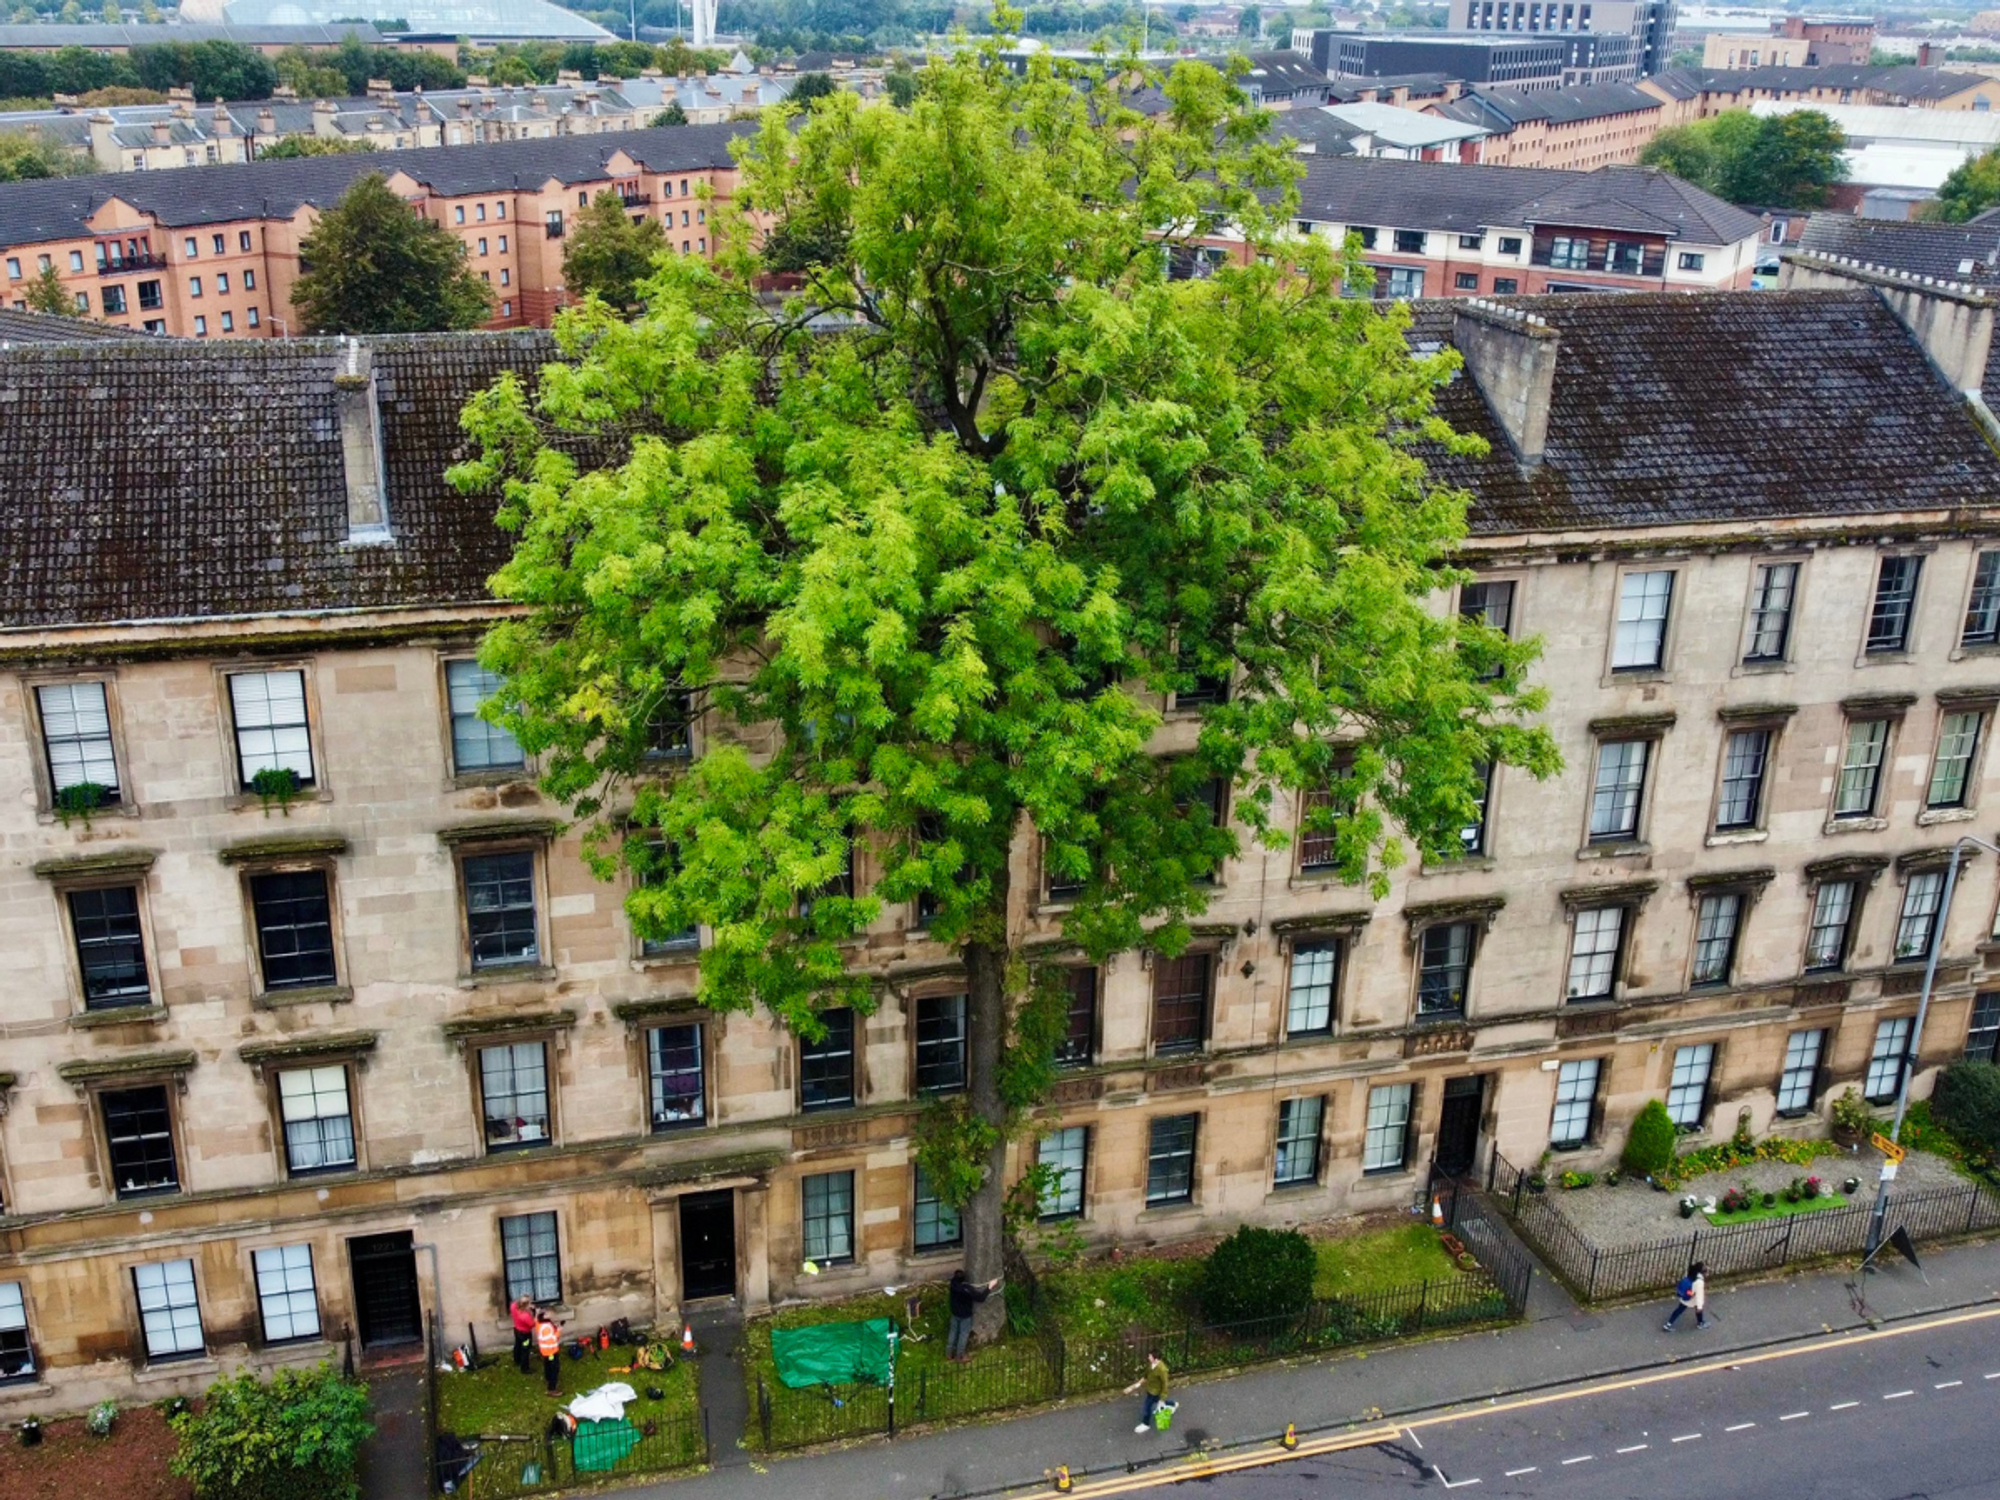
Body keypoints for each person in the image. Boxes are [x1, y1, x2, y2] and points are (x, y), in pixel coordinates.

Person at [946, 1268, 1001, 1361]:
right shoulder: (966, 1289)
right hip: (965, 1316)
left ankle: (949, 1353)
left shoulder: (953, 1284)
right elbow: (980, 1298)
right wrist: (990, 1287)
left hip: (955, 1313)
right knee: (963, 1335)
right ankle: (960, 1356)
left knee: (953, 1332)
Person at [1124, 1350, 1171, 1433]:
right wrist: (1135, 1386)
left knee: (1147, 1407)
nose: (1148, 1357)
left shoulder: (1162, 1370)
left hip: (1155, 1392)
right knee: (1157, 1401)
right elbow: (1146, 1376)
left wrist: (1163, 1397)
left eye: (1150, 1356)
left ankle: (1145, 1424)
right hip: (1150, 1390)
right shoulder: (1151, 1365)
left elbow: (1165, 1384)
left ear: (1155, 1359)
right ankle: (1173, 1404)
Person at [1664, 1261, 1710, 1332]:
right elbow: (1699, 1296)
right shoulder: (1699, 1282)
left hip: (1685, 1296)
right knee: (1699, 1311)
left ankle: (1668, 1324)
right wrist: (1699, 1306)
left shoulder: (1692, 1275)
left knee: (1678, 1310)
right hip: (1692, 1299)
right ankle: (1700, 1323)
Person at [535, 1306, 564, 1394]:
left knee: (547, 1365)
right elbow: (552, 1339)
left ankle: (548, 1378)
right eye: (552, 1315)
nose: (553, 1317)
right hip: (550, 1350)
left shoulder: (540, 1321)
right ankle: (552, 1388)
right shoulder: (547, 1327)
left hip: (545, 1350)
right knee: (554, 1368)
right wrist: (558, 1331)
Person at [510, 1295, 536, 1375]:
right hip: (525, 1334)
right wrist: (534, 1313)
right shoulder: (525, 1316)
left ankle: (517, 1359)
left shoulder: (513, 1306)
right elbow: (532, 1324)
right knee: (525, 1350)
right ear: (526, 1305)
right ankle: (525, 1368)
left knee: (517, 1345)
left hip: (517, 1330)